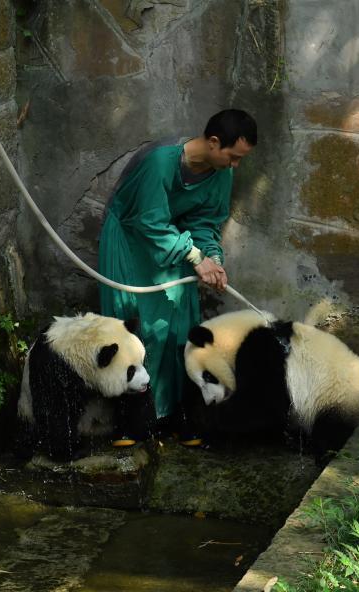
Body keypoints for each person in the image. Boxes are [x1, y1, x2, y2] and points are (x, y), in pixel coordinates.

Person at [98, 109, 257, 446]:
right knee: (138, 329)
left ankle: (177, 418)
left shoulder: (220, 172)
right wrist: (195, 258)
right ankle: (134, 423)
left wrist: (212, 258)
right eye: (233, 156)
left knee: (180, 328)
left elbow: (206, 222)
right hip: (132, 239)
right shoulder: (160, 163)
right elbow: (149, 221)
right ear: (214, 143)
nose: (235, 166)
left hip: (175, 243)